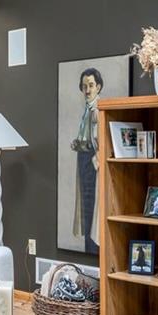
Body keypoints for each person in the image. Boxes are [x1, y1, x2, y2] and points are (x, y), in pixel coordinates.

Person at [71, 68, 103, 254]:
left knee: (91, 207)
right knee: (85, 207)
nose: (88, 90)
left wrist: (93, 160)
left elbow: (99, 142)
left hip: (91, 164)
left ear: (98, 87)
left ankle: (93, 248)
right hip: (84, 160)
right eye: (84, 86)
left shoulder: (97, 111)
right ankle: (89, 247)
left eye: (91, 85)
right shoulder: (87, 110)